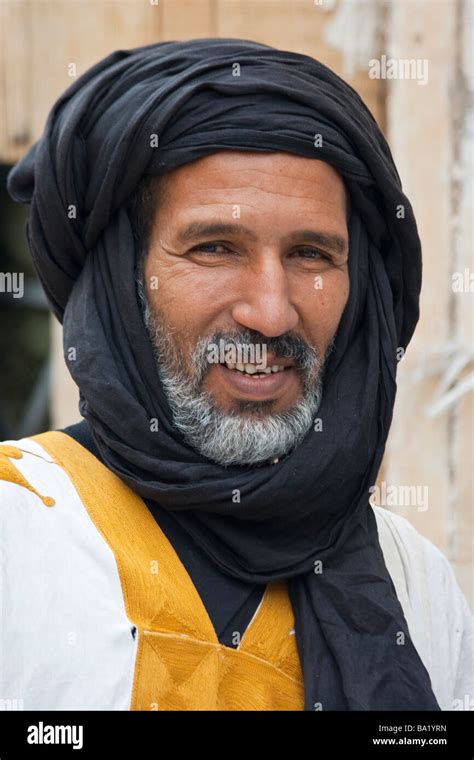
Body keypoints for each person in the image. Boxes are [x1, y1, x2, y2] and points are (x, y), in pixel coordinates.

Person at [1, 38, 472, 712]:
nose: (272, 313)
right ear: (122, 277)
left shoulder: (415, 580)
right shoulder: (18, 533)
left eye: (311, 254)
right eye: (215, 248)